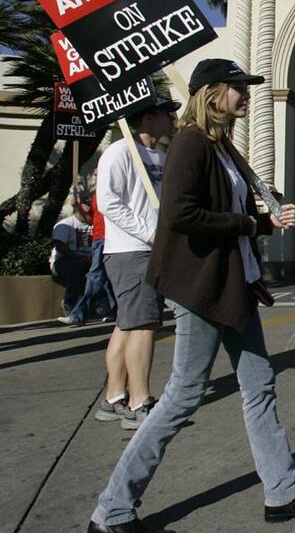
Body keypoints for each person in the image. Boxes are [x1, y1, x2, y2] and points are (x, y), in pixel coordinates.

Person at [88, 59, 295, 532]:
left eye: (248, 88)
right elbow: (180, 214)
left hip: (234, 284)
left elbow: (228, 212)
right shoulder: (189, 142)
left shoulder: (221, 146)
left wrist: (265, 221)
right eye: (238, 88)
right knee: (182, 396)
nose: (247, 95)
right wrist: (248, 223)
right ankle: (112, 509)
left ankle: (282, 492)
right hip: (202, 288)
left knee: (260, 386)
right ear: (211, 93)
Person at [94, 96, 179, 430]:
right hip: (130, 251)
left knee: (128, 323)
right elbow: (107, 202)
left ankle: (114, 397)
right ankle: (138, 402)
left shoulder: (159, 155)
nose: (173, 118)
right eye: (166, 113)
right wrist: (148, 233)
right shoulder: (119, 151)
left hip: (150, 249)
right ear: (147, 118)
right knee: (144, 324)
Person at [60, 190, 118, 325]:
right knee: (105, 278)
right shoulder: (96, 195)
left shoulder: (109, 191)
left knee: (95, 276)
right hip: (99, 237)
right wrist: (77, 206)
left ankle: (78, 315)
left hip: (106, 237)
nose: (95, 172)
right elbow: (90, 218)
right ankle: (116, 312)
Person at [51, 195, 93, 324]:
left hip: (89, 261)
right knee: (76, 267)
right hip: (65, 261)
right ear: (78, 207)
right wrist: (78, 257)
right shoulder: (65, 225)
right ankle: (70, 303)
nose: (91, 208)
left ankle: (107, 307)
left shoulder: (95, 224)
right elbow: (60, 245)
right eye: (87, 205)